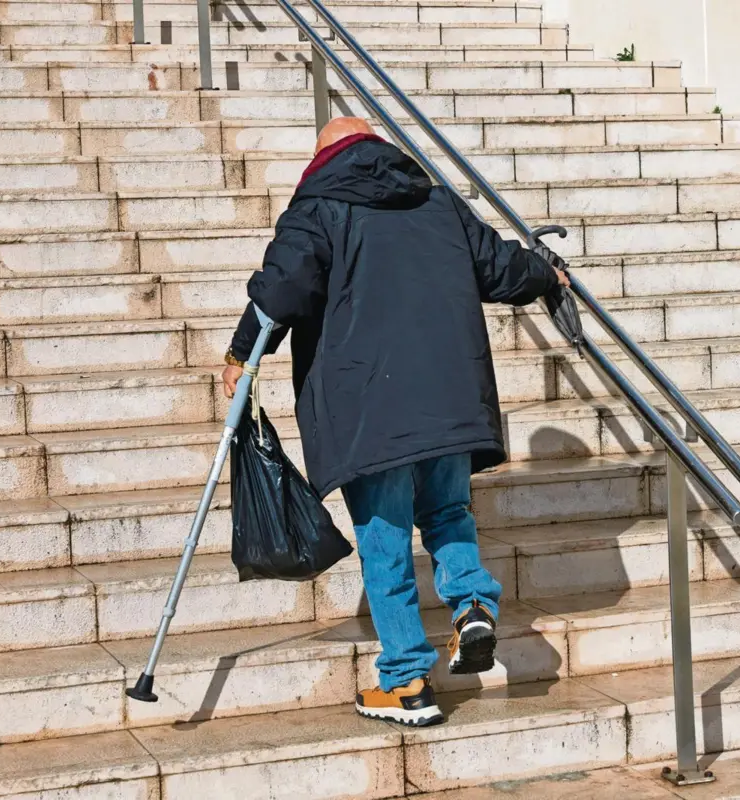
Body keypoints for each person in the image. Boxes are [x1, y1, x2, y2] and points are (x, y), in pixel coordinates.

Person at [223, 117, 569, 727]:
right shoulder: (437, 201)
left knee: (385, 541)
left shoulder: (318, 207)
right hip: (447, 396)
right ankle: (470, 606)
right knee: (447, 512)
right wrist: (548, 274)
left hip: (368, 407)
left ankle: (406, 680)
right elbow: (498, 268)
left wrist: (240, 355)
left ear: (323, 157)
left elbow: (280, 291)